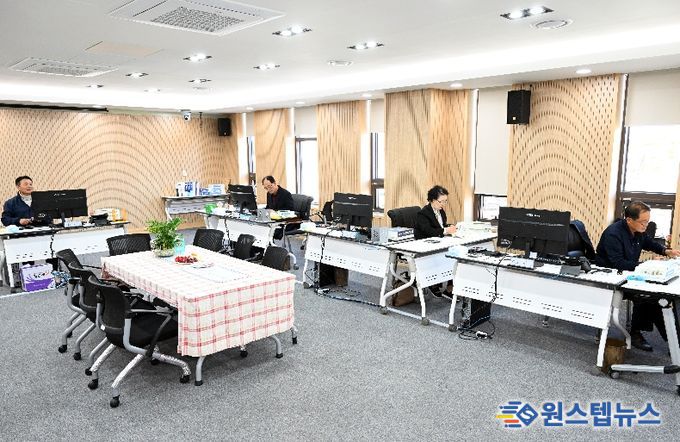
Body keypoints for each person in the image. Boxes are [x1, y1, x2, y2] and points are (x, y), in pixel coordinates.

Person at [595, 201, 680, 351]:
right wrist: (647, 266)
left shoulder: (638, 230)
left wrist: (667, 251)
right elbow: (618, 263)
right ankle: (637, 334)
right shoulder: (613, 234)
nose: (646, 225)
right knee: (647, 296)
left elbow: (649, 243)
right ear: (629, 220)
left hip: (629, 274)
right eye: (643, 222)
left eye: (648, 221)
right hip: (612, 277)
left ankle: (675, 341)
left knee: (659, 295)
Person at [414, 185, 458, 298]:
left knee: (453, 256)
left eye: (445, 201)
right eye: (441, 201)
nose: (443, 204)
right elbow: (429, 231)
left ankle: (450, 287)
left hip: (438, 242)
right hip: (425, 246)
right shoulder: (423, 213)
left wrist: (449, 227)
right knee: (445, 257)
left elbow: (441, 226)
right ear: (433, 200)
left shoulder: (440, 211)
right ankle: (434, 283)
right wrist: (445, 230)